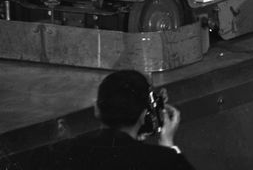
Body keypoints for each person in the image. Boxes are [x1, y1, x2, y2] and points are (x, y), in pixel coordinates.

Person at [31, 69, 194, 169]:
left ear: (97, 109)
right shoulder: (163, 161)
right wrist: (168, 146)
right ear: (144, 116)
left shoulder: (61, 154)